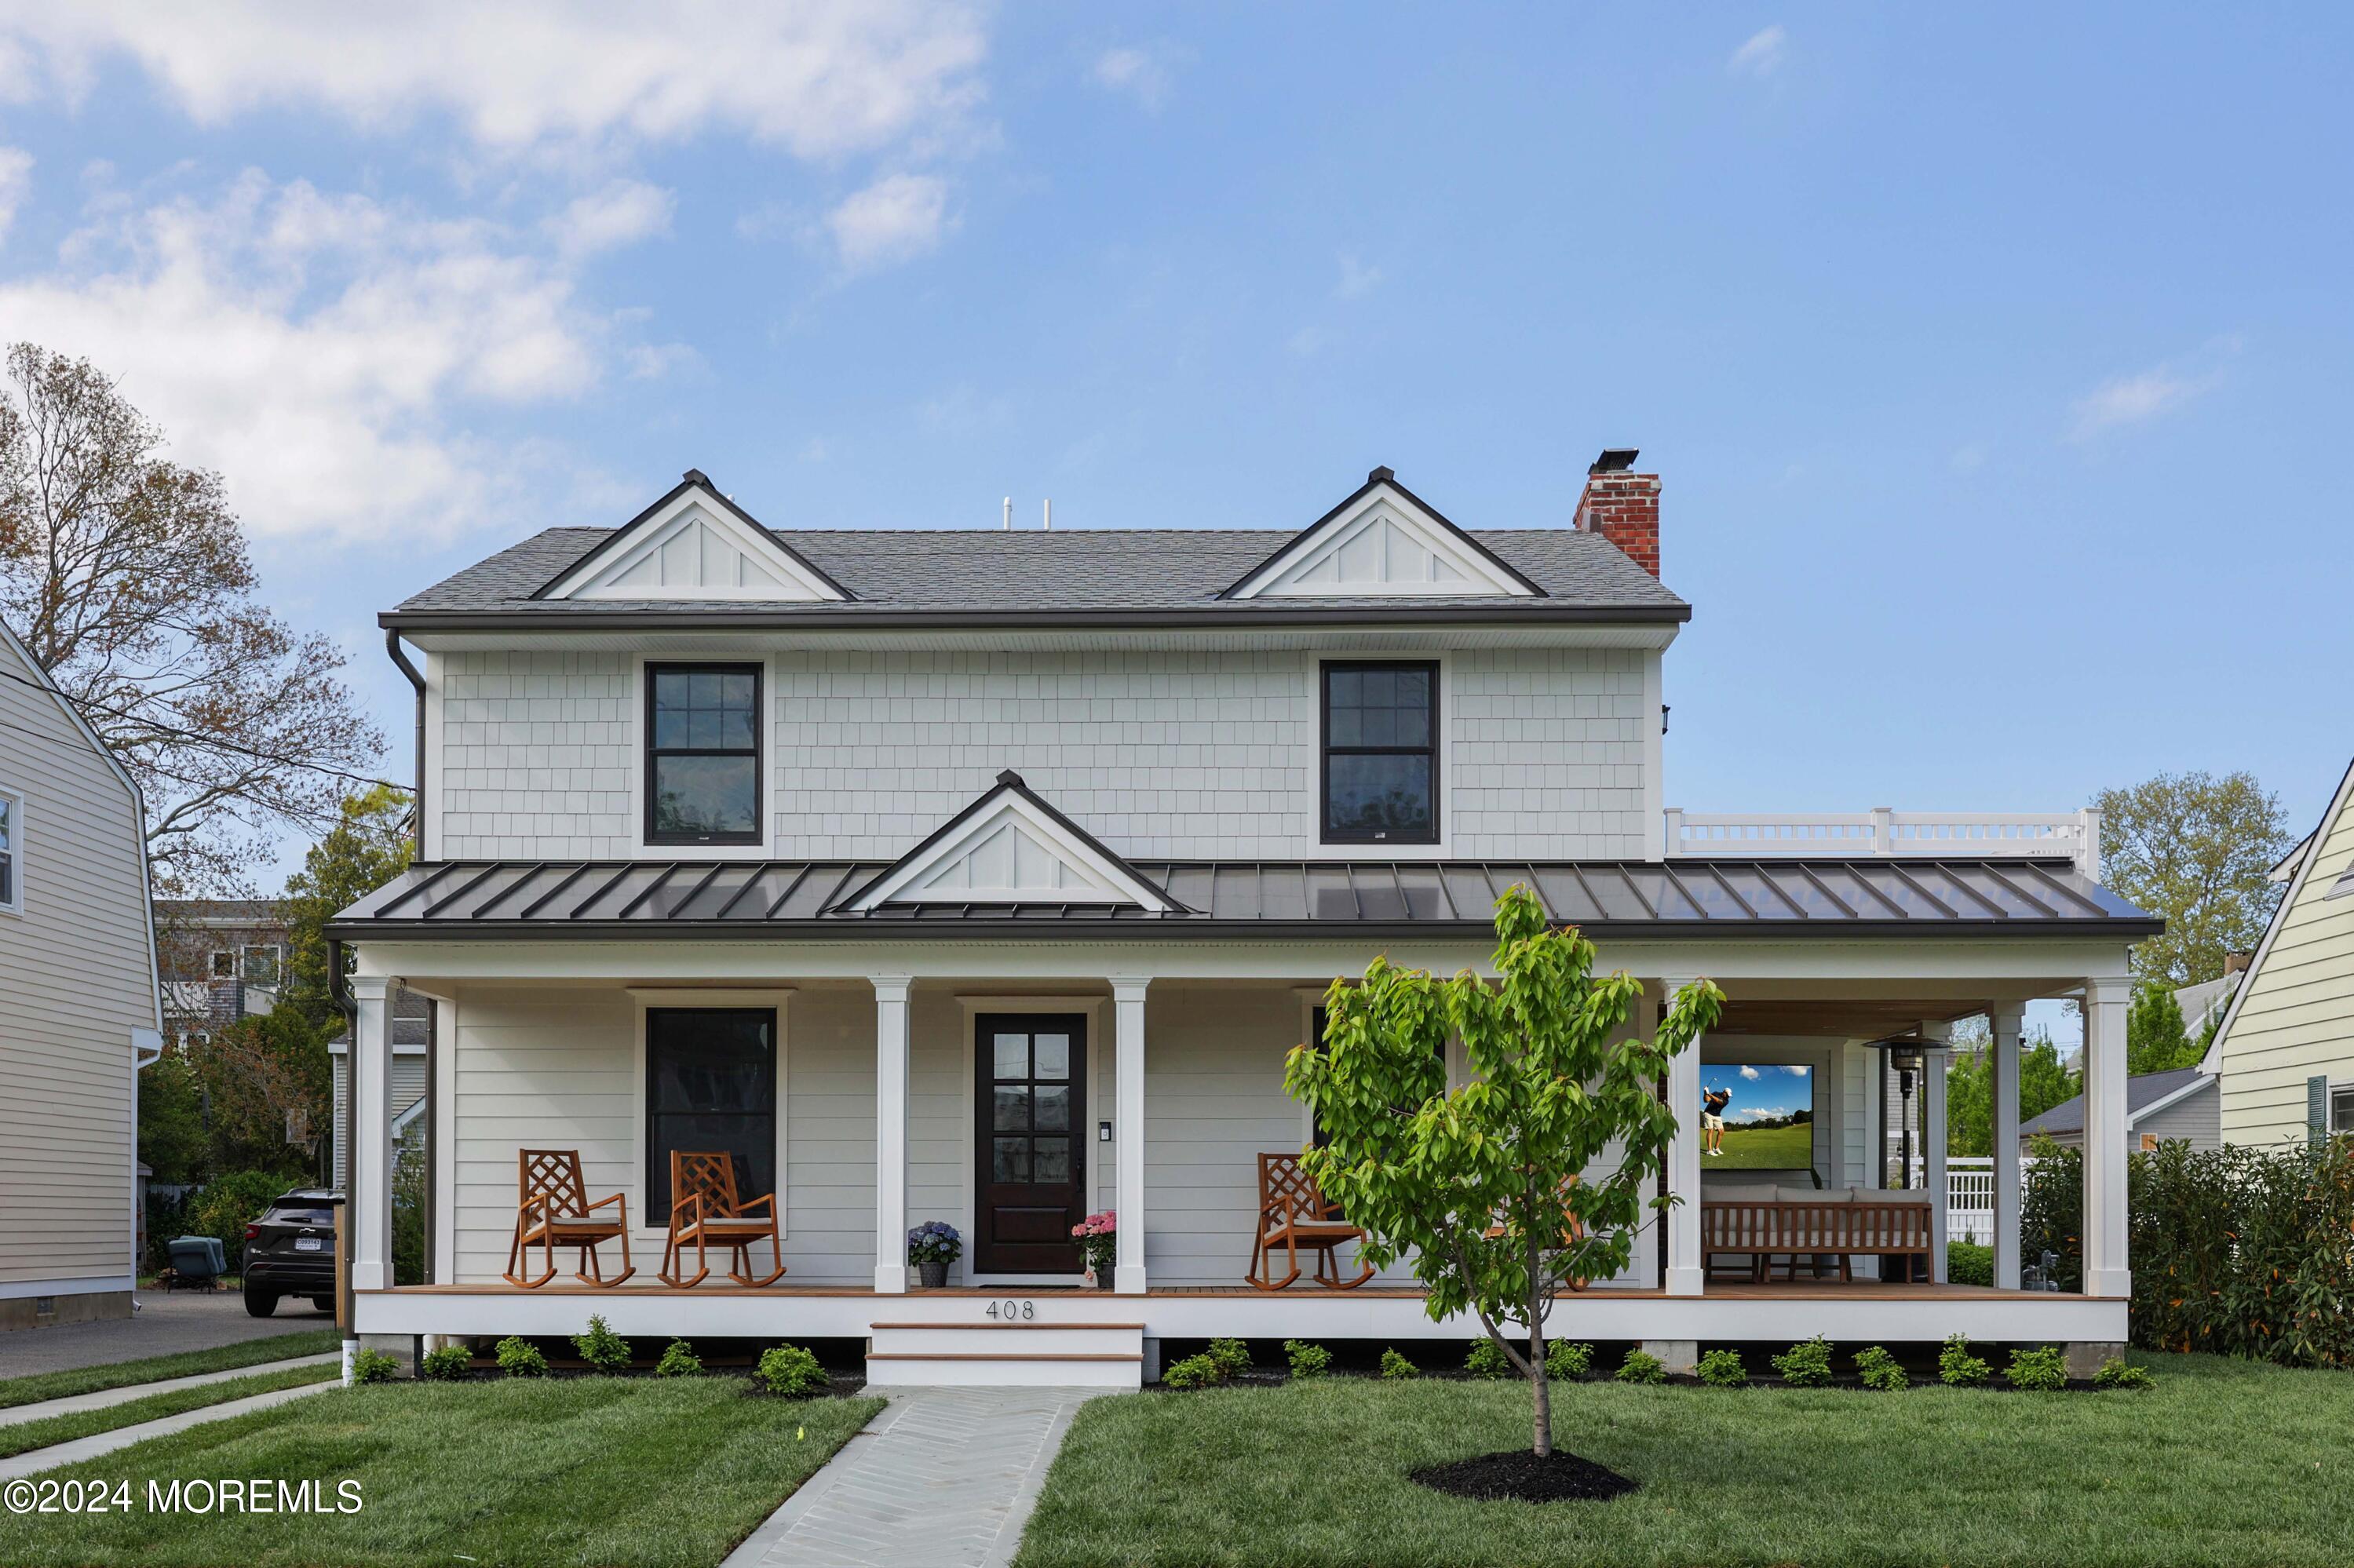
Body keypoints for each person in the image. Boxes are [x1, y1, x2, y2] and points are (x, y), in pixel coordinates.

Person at [1702, 1086, 1732, 1156]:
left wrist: (1710, 1094)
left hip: (1717, 1115)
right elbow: (1706, 1100)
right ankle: (1709, 1150)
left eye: (1729, 1096)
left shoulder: (1726, 1101)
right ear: (1724, 1092)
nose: (1728, 1097)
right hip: (1708, 1113)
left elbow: (1719, 1101)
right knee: (1711, 1130)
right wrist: (1705, 1093)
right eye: (1727, 1095)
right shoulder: (1716, 1093)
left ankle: (1716, 1148)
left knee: (1721, 1131)